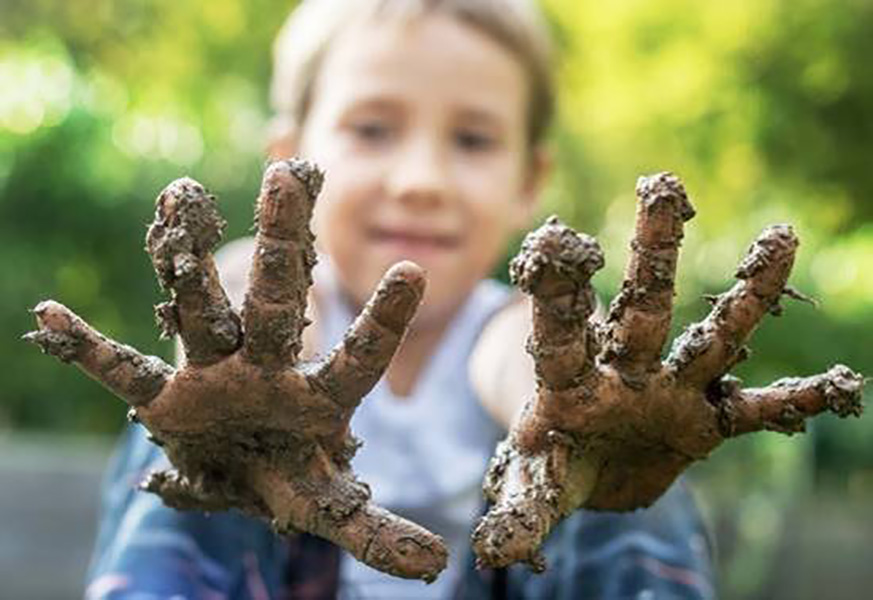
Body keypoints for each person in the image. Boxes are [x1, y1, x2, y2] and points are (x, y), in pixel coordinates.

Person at [86, 0, 715, 598]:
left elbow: (525, 357)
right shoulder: (275, 301)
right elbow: (246, 287)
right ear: (289, 156)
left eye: (473, 140)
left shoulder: (509, 327)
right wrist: (258, 372)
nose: (422, 180)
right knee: (201, 422)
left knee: (596, 436)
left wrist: (560, 407)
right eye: (373, 129)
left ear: (527, 181)